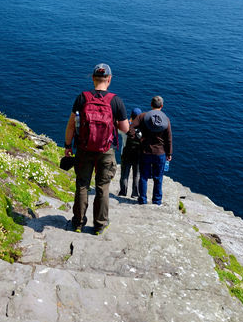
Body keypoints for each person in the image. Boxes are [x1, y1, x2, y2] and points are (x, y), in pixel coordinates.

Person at [64, 63, 129, 234]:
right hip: (106, 150)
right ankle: (99, 225)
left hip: (84, 148)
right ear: (109, 79)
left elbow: (71, 125)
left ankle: (78, 223)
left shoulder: (82, 98)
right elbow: (125, 129)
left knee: (82, 185)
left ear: (93, 78)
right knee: (102, 187)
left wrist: (67, 146)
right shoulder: (116, 101)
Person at [131, 96, 172, 206]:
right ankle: (157, 201)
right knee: (158, 178)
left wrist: (138, 138)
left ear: (151, 105)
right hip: (160, 153)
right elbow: (168, 139)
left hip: (145, 151)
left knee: (143, 177)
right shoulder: (165, 119)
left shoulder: (143, 116)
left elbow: (131, 128)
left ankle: (142, 200)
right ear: (162, 106)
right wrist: (169, 153)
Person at [118, 107, 143, 198]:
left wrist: (128, 122)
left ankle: (123, 192)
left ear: (131, 117)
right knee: (137, 174)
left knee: (125, 173)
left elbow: (118, 129)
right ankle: (135, 193)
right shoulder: (143, 129)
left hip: (126, 154)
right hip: (138, 155)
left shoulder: (126, 128)